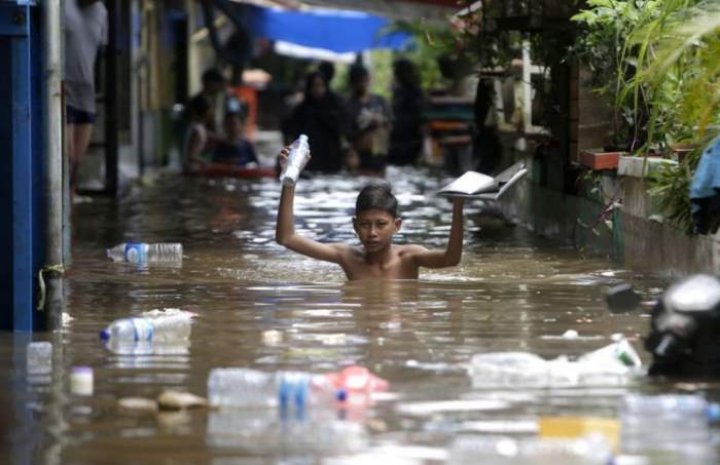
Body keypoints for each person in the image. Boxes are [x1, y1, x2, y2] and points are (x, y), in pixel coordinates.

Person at [275, 148, 466, 281]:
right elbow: (286, 238)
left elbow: (451, 259)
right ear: (355, 226)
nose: (372, 232)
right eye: (365, 224)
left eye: (381, 224)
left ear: (396, 225)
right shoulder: (347, 257)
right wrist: (289, 180)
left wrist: (458, 207)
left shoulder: (409, 257)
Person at [64, 0, 108, 191]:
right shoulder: (62, 5)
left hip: (86, 93)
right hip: (62, 89)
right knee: (66, 157)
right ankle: (59, 213)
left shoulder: (101, 12)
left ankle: (69, 214)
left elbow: (99, 51)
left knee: (75, 163)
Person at [284, 71, 349, 173]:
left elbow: (343, 129)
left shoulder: (335, 106)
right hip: (309, 162)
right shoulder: (302, 110)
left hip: (331, 161)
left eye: (320, 85)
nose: (317, 89)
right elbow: (290, 131)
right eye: (314, 85)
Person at [345, 64, 392, 174]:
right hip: (360, 155)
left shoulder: (380, 101)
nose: (363, 83)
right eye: (359, 80)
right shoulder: (349, 105)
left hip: (380, 153)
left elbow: (389, 123)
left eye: (364, 79)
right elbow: (347, 134)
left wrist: (379, 122)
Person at [388, 58, 425, 166]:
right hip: (399, 136)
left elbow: (416, 115)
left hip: (409, 137)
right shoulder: (398, 91)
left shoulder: (415, 91)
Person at [188, 68, 228, 132]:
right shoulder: (199, 102)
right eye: (218, 84)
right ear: (209, 83)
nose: (220, 88)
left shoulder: (208, 101)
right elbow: (201, 129)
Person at [182, 97, 216, 171]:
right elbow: (191, 155)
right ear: (206, 111)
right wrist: (206, 163)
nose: (213, 112)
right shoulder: (197, 130)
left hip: (193, 168)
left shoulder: (198, 127)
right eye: (211, 109)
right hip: (192, 170)